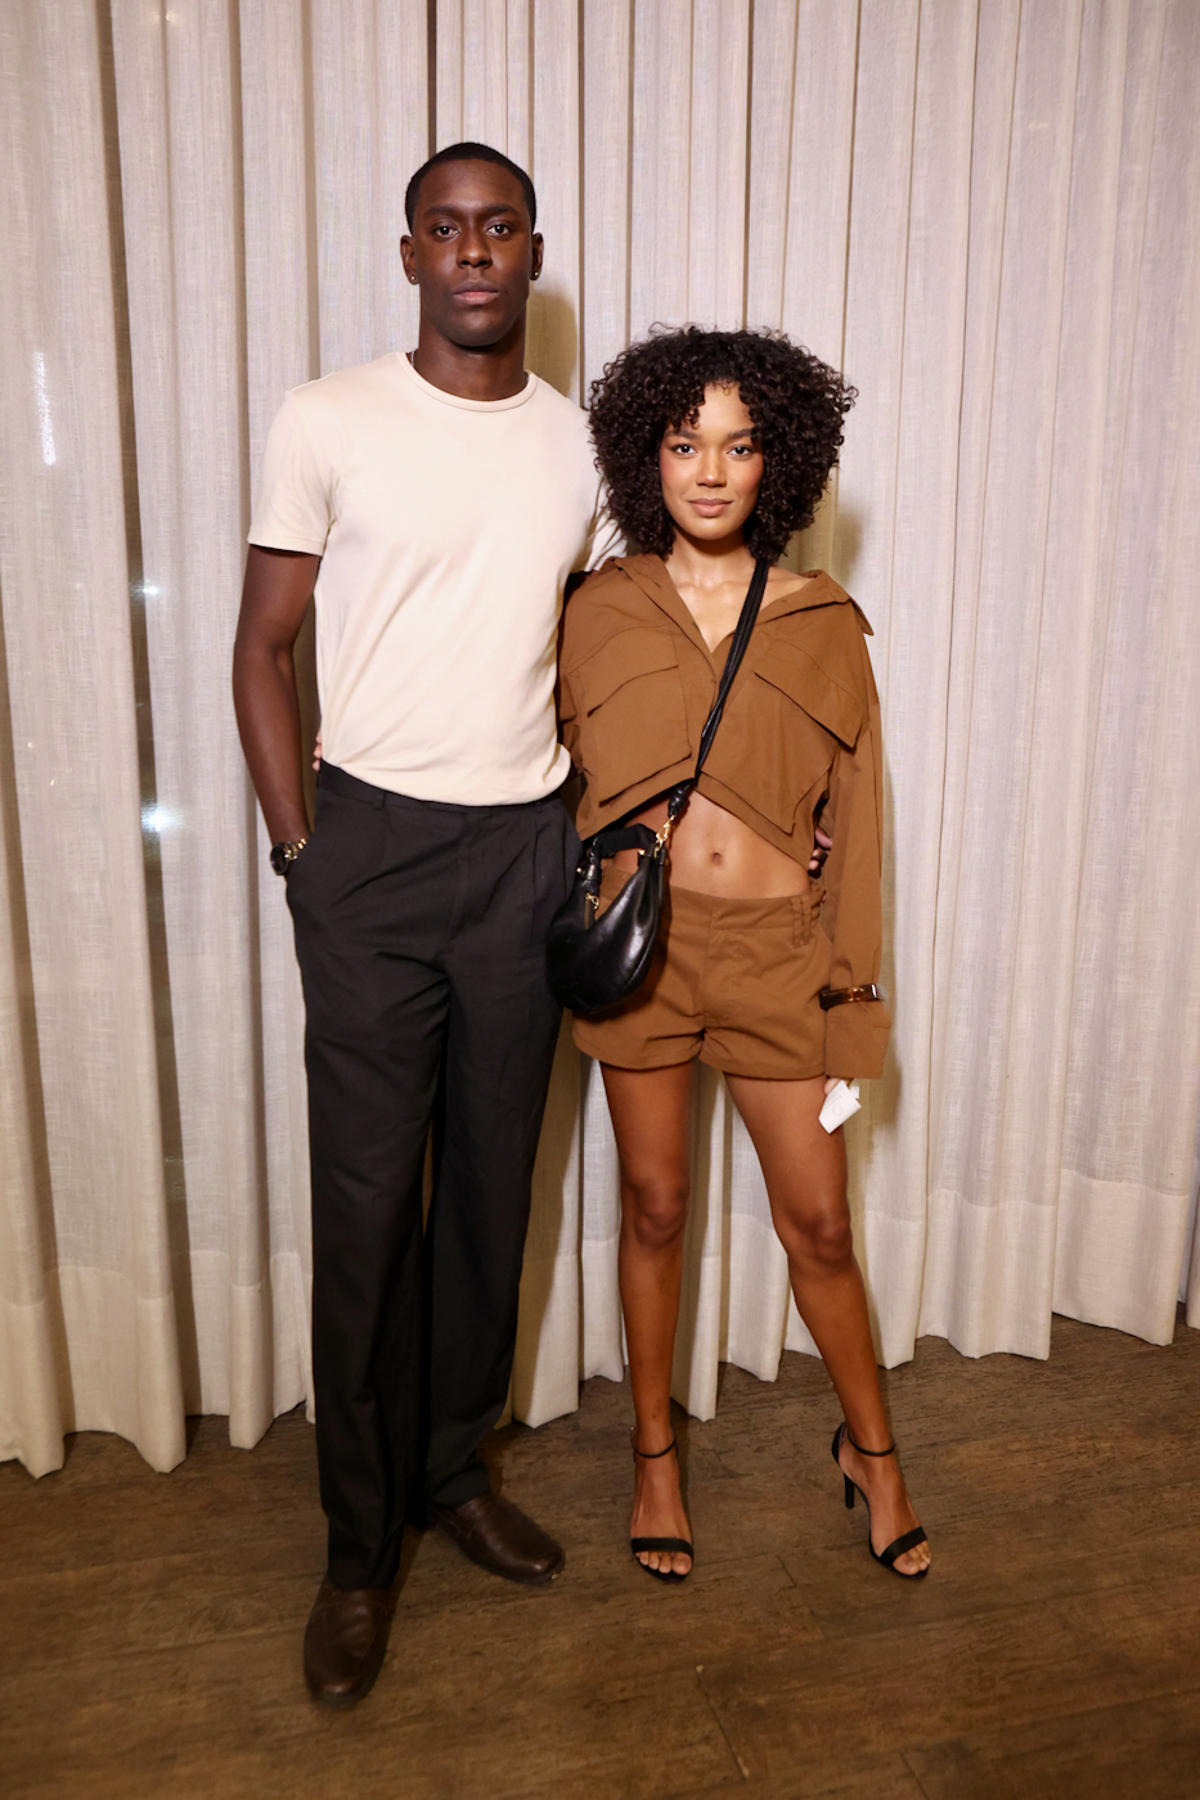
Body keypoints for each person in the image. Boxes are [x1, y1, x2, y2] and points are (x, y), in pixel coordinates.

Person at [232, 141, 615, 1708]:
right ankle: (354, 1550)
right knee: (369, 1208)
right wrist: (302, 855)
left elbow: (606, 651)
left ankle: (453, 1472)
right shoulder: (327, 419)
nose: (472, 251)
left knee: (489, 1200)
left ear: (533, 252)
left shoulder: (581, 448)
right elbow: (262, 646)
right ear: (408, 255)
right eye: (445, 229)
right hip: (371, 855)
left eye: (498, 226)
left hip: (525, 851)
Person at [558, 327, 931, 1583]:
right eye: (684, 444)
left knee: (818, 1223)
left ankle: (873, 1453)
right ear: (646, 457)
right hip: (642, 951)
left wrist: (852, 1000)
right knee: (655, 1206)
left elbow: (858, 828)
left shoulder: (825, 622)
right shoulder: (595, 609)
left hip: (777, 954)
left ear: (781, 463)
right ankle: (653, 1456)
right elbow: (531, 766)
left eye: (739, 445)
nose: (710, 472)